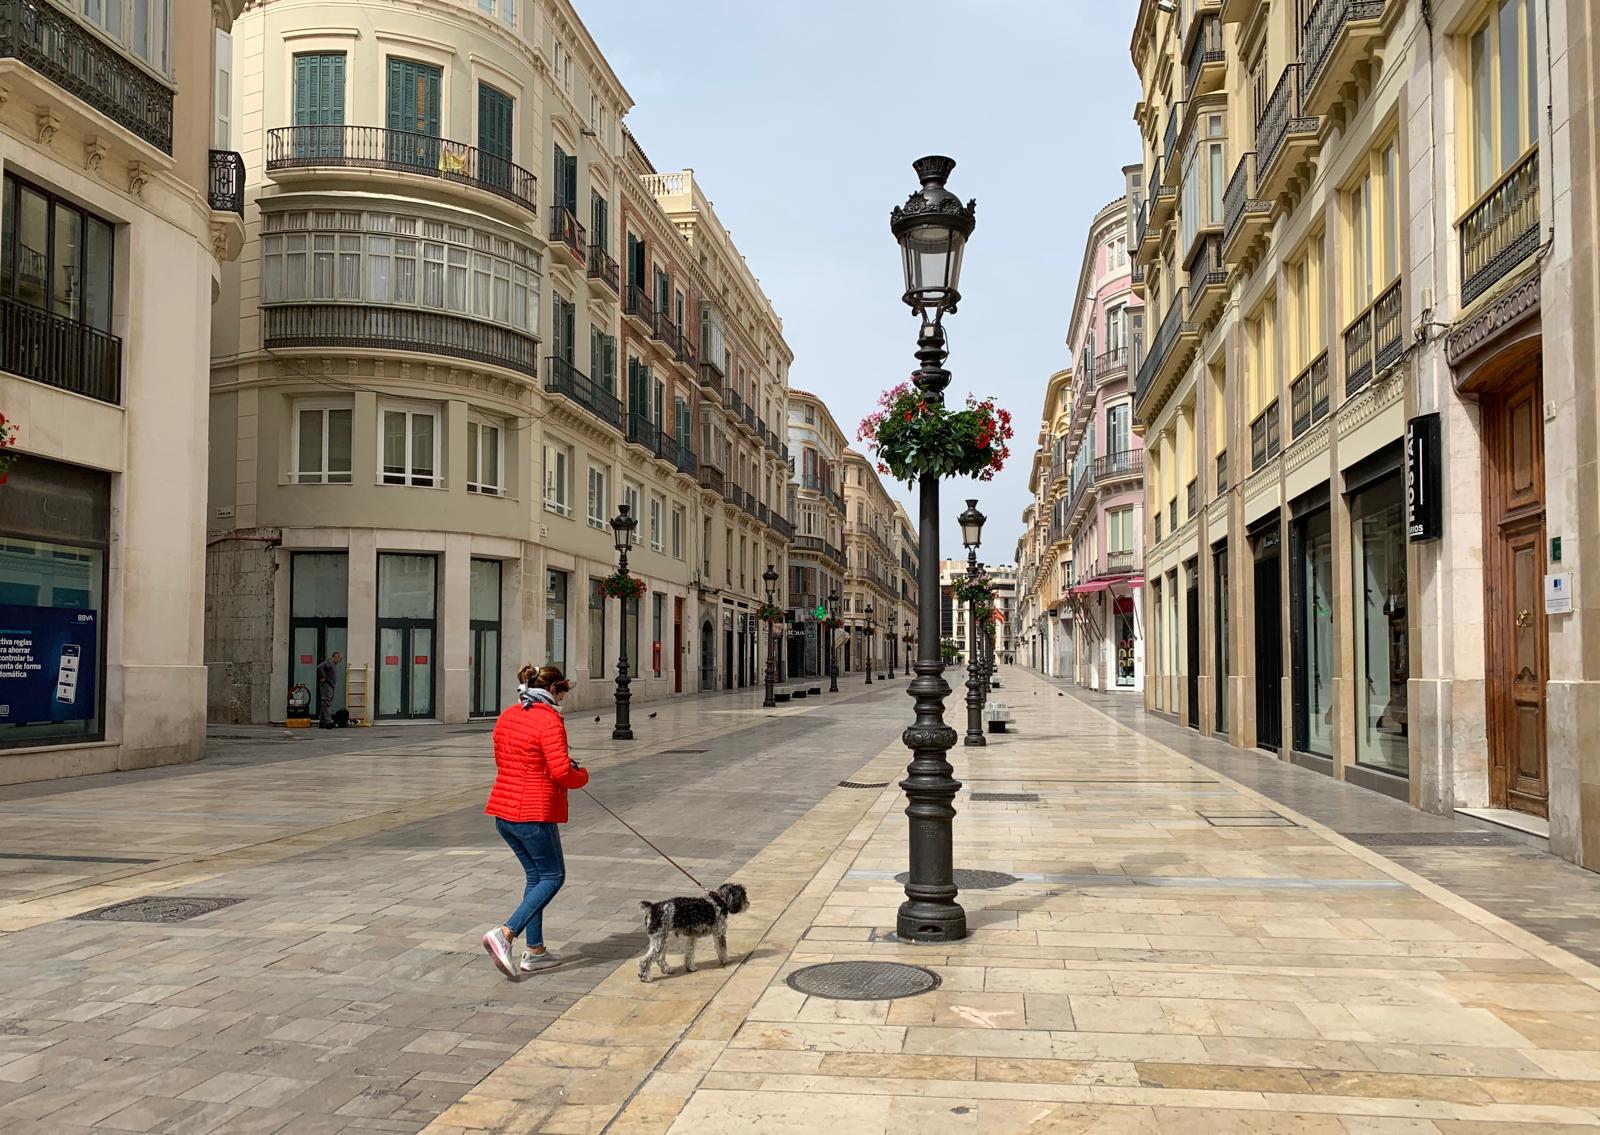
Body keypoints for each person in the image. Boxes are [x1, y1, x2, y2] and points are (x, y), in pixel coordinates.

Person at [481, 664, 587, 978]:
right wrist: (581, 775)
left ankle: (536, 950)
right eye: (563, 695)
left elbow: (507, 759)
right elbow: (561, 773)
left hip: (504, 811)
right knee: (553, 876)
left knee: (535, 877)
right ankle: (506, 933)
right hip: (533, 813)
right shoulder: (549, 719)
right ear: (555, 690)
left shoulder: (509, 715)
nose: (563, 702)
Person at [315, 651, 342, 729]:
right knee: (327, 703)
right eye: (339, 659)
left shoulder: (332, 664)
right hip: (327, 685)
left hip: (330, 685)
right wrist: (323, 677)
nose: (339, 661)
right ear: (335, 657)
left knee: (325, 703)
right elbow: (320, 667)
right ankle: (328, 722)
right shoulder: (329, 663)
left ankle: (322, 721)